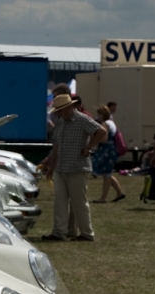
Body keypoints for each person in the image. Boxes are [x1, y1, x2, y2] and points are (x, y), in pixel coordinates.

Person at [42, 94, 107, 242]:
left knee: (79, 203)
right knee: (60, 202)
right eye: (58, 110)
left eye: (62, 110)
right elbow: (57, 146)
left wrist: (89, 147)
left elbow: (102, 132)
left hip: (78, 167)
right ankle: (59, 232)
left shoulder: (82, 119)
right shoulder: (60, 122)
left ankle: (86, 233)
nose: (60, 113)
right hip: (61, 168)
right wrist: (51, 167)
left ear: (71, 107)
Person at [91, 105, 125, 202]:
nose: (98, 116)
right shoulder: (112, 123)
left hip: (106, 150)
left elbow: (104, 139)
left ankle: (103, 198)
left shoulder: (105, 124)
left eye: (99, 114)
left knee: (106, 174)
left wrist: (95, 139)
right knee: (108, 173)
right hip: (112, 150)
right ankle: (119, 193)